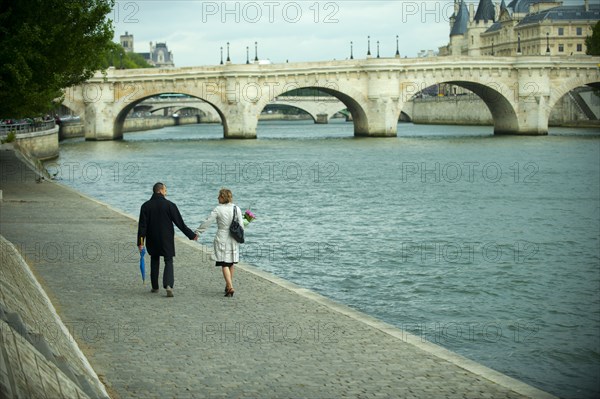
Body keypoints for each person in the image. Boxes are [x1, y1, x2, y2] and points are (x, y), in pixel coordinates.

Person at [137, 182, 197, 297]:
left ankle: (155, 287)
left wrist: (140, 242)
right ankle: (168, 284)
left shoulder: (145, 206)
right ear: (160, 191)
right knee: (168, 260)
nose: (166, 192)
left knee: (154, 259)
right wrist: (191, 235)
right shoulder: (170, 205)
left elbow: (142, 227)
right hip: (166, 238)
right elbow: (180, 223)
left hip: (152, 238)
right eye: (165, 190)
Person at [195, 188, 244, 297]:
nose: (217, 198)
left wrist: (198, 232)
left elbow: (207, 221)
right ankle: (228, 286)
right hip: (234, 238)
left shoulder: (218, 209)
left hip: (222, 237)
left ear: (223, 197)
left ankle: (230, 287)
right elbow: (241, 225)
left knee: (224, 263)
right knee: (231, 262)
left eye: (219, 196)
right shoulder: (237, 208)